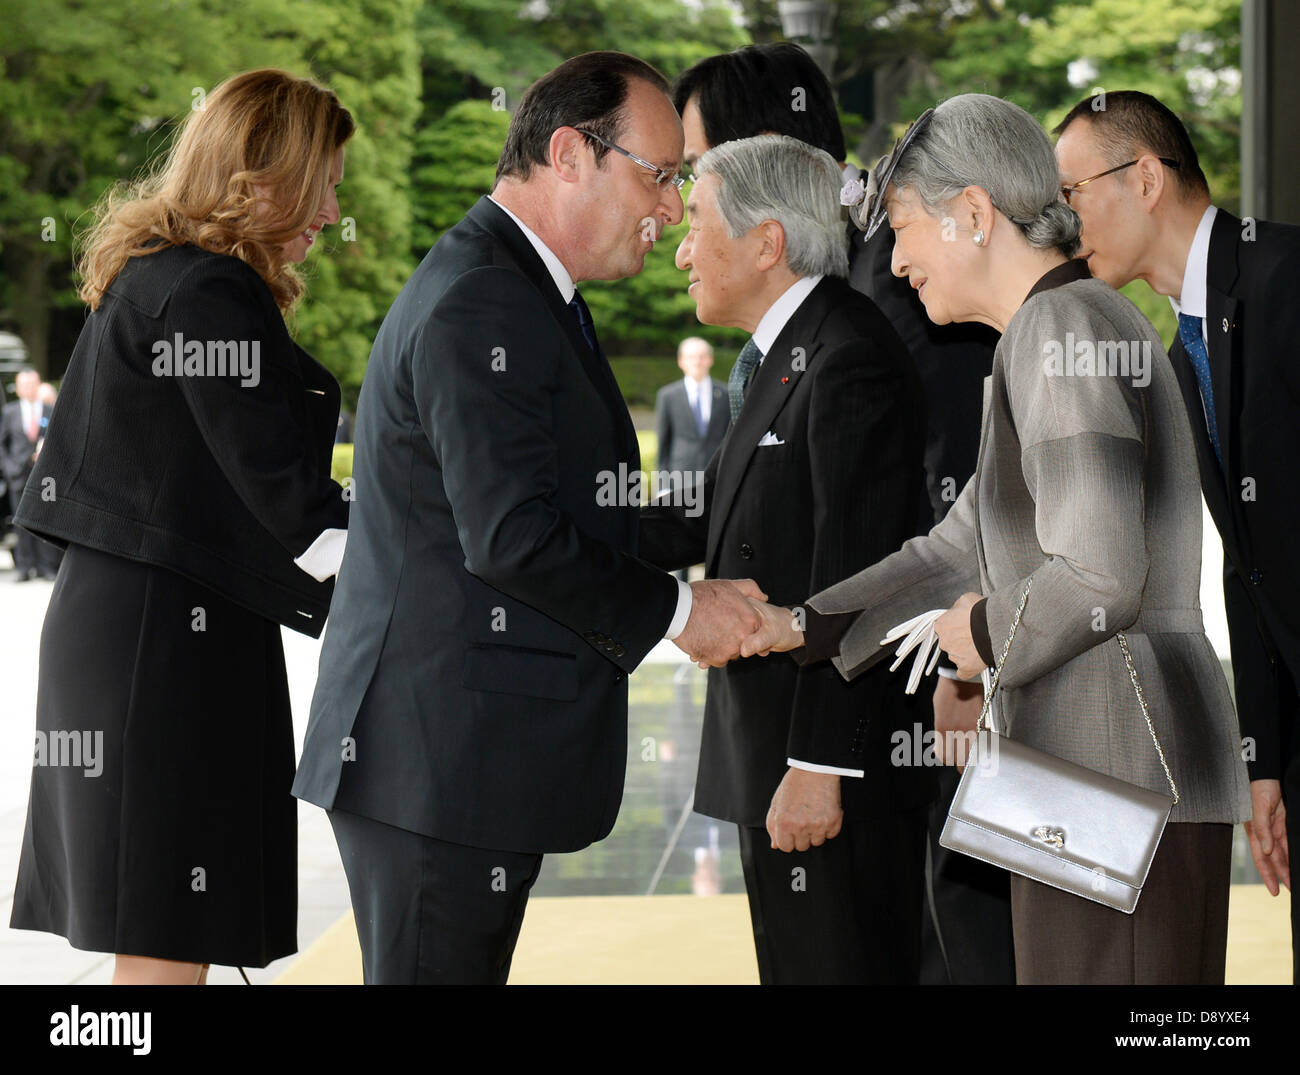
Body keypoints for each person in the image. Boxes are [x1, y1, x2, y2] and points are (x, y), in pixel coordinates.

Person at [739, 94, 1251, 985]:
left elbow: (1099, 575)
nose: (895, 263)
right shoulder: (1056, 331)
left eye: (902, 229)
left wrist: (971, 636)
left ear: (974, 213)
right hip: (1100, 771)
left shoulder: (1060, 332)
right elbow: (956, 548)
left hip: (1114, 770)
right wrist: (799, 623)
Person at [291, 51, 765, 985]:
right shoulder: (486, 297)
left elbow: (584, 508)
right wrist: (680, 611)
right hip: (435, 764)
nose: (671, 208)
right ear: (570, 154)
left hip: (455, 759)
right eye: (661, 176)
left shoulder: (524, 285)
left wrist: (744, 507)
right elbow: (513, 537)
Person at [673, 41, 1010, 984]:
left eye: (694, 181)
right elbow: (743, 507)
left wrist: (825, 759)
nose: (676, 223)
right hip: (788, 732)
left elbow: (868, 551)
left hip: (842, 734)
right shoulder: (801, 336)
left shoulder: (854, 332)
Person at [8, 68, 353, 985]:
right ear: (267, 171)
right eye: (323, 180)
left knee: (167, 930)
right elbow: (294, 511)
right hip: (160, 646)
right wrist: (435, 568)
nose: (329, 209)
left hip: (146, 627)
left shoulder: (167, 276)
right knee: (164, 938)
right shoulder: (204, 291)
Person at [639, 134, 930, 983]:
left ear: (767, 243)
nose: (683, 250)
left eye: (697, 224)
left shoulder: (847, 356)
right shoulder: (792, 349)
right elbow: (726, 509)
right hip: (775, 752)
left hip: (820, 770)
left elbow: (860, 575)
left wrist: (818, 765)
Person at [1055, 90, 1298, 978]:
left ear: (1145, 177)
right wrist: (1262, 760)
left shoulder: (1284, 277)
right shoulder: (1183, 338)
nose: (1063, 220)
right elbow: (1250, 564)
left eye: (1072, 193)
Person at [654, 336, 727, 580]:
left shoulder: (725, 394)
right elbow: (663, 443)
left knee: (715, 535)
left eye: (702, 356)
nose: (697, 361)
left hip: (713, 479)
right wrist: (663, 485)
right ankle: (682, 591)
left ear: (710, 360)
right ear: (681, 361)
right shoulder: (668, 395)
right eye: (691, 356)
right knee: (680, 538)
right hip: (680, 479)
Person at [1, 369, 61, 580]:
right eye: (23, 385)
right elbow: (3, 443)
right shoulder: (10, 412)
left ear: (38, 385)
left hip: (44, 475)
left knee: (44, 518)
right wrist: (8, 468)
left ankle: (46, 566)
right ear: (17, 389)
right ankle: (24, 566)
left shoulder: (50, 409)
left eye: (31, 384)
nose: (28, 388)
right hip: (18, 474)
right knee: (20, 522)